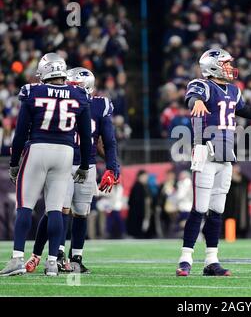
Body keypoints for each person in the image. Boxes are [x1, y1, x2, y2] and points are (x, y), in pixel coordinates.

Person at [176, 48, 251, 276]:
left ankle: (211, 261)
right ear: (212, 66)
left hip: (225, 154)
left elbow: (248, 111)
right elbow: (192, 97)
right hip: (205, 151)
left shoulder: (234, 90)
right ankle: (185, 259)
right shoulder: (202, 85)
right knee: (199, 208)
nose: (230, 68)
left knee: (217, 210)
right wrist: (196, 102)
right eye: (225, 64)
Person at [1, 53, 92, 276]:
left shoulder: (33, 91)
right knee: (54, 209)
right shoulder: (78, 94)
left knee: (24, 206)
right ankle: (52, 262)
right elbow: (86, 134)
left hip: (38, 149)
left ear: (44, 71)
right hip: (66, 153)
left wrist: (14, 163)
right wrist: (84, 166)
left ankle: (17, 259)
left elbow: (21, 132)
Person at [24, 67, 120, 274]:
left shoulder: (100, 104)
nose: (68, 88)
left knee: (81, 213)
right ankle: (52, 254)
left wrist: (113, 168)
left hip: (88, 163)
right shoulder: (60, 101)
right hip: (64, 160)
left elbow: (109, 141)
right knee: (58, 210)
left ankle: (76, 256)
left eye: (73, 85)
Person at [127, 170, 150, 238]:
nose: (146, 178)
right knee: (137, 233)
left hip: (141, 213)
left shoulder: (144, 186)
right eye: (144, 176)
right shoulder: (137, 187)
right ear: (139, 177)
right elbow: (134, 202)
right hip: (137, 214)